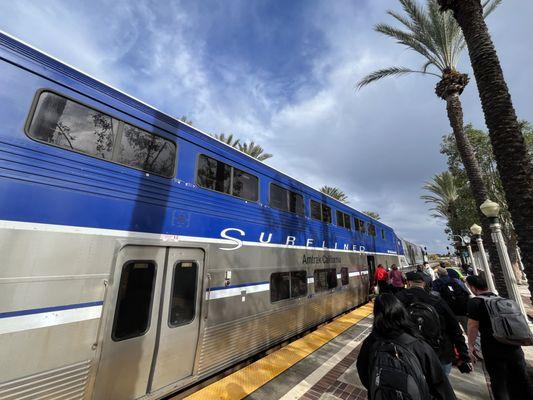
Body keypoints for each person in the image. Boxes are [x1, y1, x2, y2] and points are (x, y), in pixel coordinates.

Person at [356, 293, 456, 400]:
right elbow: (440, 383)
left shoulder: (371, 342)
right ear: (402, 312)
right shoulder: (418, 344)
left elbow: (361, 369)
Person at [466, 275, 533, 400]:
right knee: (521, 379)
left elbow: (472, 326)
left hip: (492, 347)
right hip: (513, 346)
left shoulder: (475, 302)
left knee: (499, 381)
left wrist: (471, 346)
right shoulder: (502, 299)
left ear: (473, 288)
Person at [396, 271, 470, 375]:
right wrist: (463, 354)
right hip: (440, 353)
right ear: (424, 284)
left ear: (408, 283)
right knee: (441, 386)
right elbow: (454, 327)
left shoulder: (397, 300)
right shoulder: (437, 300)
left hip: (409, 353)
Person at [432, 267, 470, 332]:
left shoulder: (436, 283)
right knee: (468, 330)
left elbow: (435, 296)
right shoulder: (456, 280)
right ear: (447, 273)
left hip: (448, 312)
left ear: (438, 274)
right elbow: (467, 292)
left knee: (454, 331)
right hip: (462, 310)